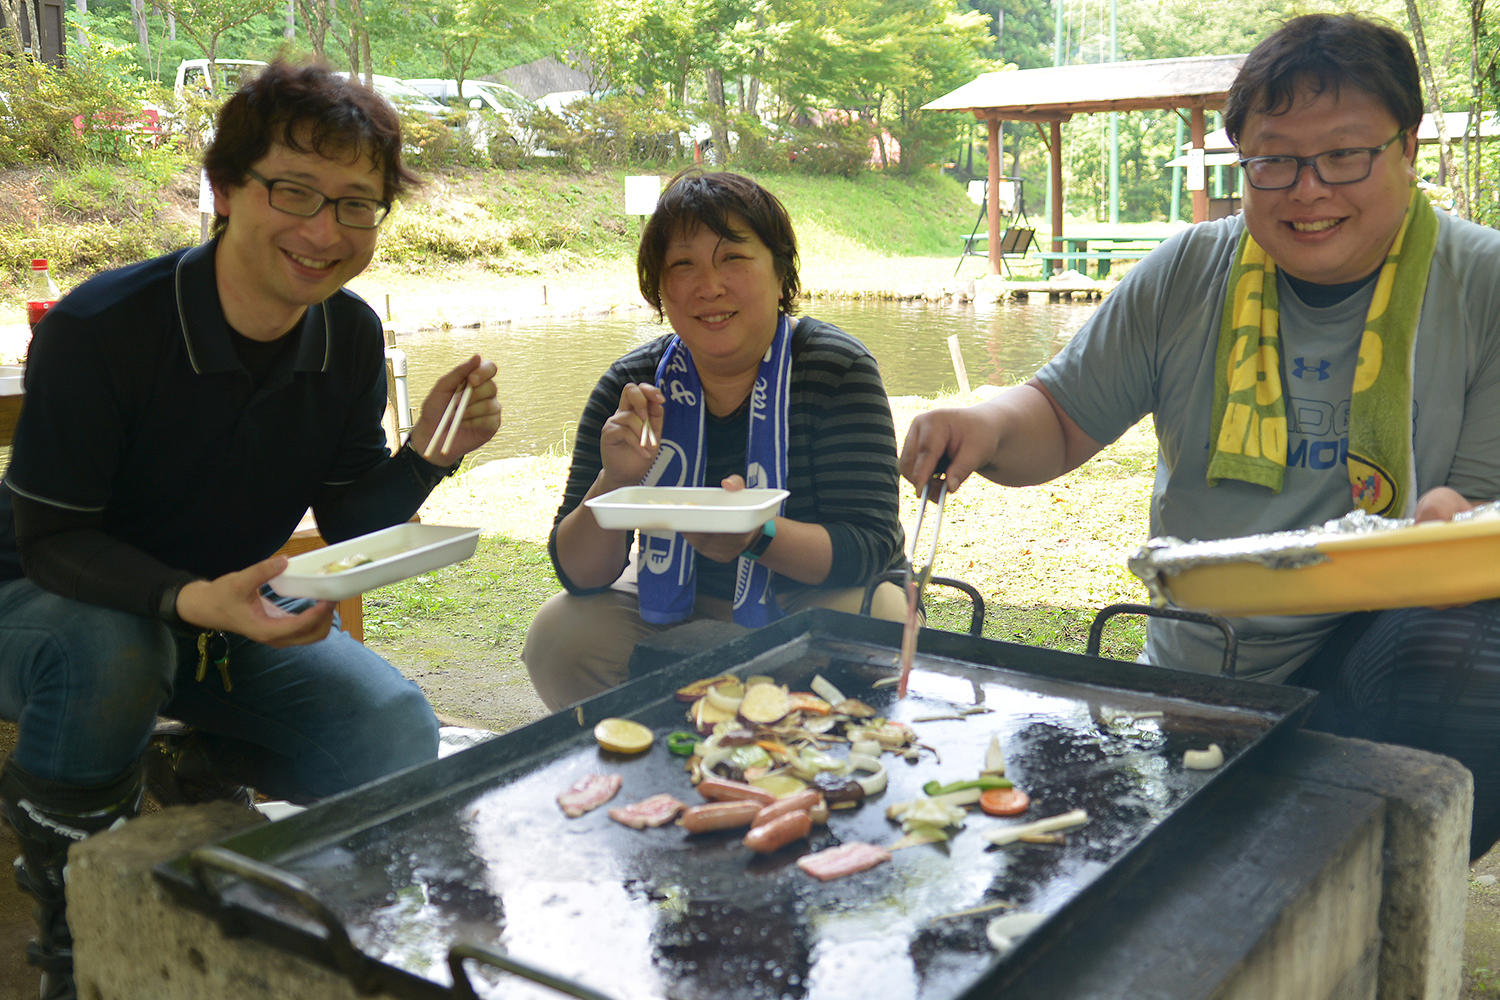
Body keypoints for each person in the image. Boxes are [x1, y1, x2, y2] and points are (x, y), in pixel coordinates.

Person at [901, 13, 1500, 860]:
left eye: (1345, 154)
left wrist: (1462, 524)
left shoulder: (1483, 284)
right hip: (1197, 665)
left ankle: (1372, 888)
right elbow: (1060, 419)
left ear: (1407, 150)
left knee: (1478, 659)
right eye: (1276, 160)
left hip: (1366, 656)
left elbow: (1478, 510)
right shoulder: (1187, 271)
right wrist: (987, 421)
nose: (1309, 188)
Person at [0, 60, 501, 998]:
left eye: (357, 204)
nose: (324, 232)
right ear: (226, 189)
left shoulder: (345, 337)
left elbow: (351, 518)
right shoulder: (102, 328)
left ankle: (204, 776)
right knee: (115, 649)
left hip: (215, 614)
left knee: (391, 727)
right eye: (295, 192)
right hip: (40, 604)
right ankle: (77, 930)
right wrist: (197, 600)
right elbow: (53, 543)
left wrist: (430, 456)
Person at [524, 169, 906, 710]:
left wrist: (759, 536)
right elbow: (580, 574)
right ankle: (646, 761)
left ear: (781, 274)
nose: (709, 286)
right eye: (683, 266)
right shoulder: (632, 386)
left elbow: (869, 547)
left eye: (733, 258)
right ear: (660, 290)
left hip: (806, 594)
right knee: (561, 635)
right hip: (668, 604)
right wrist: (617, 480)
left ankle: (824, 760)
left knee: (881, 616)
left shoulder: (835, 370)